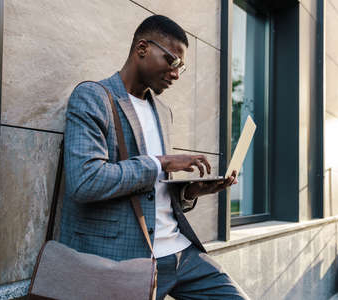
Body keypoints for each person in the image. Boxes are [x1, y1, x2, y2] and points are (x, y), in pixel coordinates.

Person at [59, 15, 248, 300]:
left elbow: (154, 192)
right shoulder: (93, 97)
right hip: (126, 258)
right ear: (143, 48)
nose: (176, 74)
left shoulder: (162, 112)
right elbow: (85, 181)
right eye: (172, 61)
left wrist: (190, 192)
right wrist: (161, 162)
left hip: (181, 252)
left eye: (181, 68)